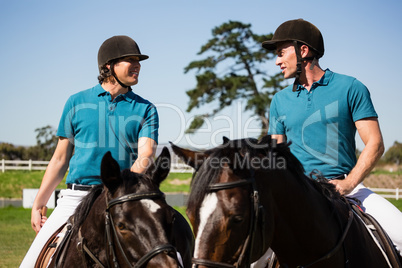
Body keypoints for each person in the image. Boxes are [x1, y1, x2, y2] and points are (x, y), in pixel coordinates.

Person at [264, 19, 402, 256]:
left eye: (281, 52)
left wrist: (348, 184)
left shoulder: (350, 88)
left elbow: (375, 143)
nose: (277, 61)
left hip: (349, 188)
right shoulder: (279, 100)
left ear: (303, 50)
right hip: (297, 193)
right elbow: (277, 155)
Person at [20, 35, 159, 267]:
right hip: (77, 197)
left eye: (139, 60)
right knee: (29, 263)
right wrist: (39, 203)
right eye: (130, 60)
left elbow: (146, 155)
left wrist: (122, 190)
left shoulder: (146, 109)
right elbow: (60, 159)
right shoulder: (76, 102)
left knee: (168, 255)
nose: (137, 65)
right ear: (108, 66)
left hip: (121, 195)